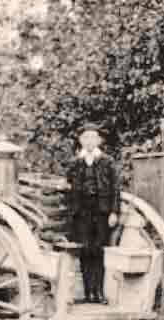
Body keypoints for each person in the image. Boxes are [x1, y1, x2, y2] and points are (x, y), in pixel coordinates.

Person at [66, 124, 120, 304]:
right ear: (81, 141)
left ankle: (99, 292)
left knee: (99, 250)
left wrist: (114, 211)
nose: (89, 141)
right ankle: (88, 292)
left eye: (93, 137)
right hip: (82, 212)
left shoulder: (107, 161)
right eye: (86, 137)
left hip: (101, 211)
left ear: (98, 140)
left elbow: (115, 188)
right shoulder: (75, 163)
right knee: (85, 250)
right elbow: (67, 185)